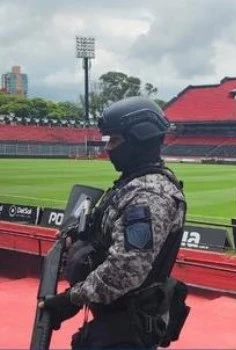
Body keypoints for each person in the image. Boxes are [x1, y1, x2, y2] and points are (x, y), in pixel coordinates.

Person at [39, 97, 188, 348]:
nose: (108, 149)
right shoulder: (131, 185)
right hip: (115, 320)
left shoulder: (148, 196)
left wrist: (72, 299)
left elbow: (126, 269)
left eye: (115, 140)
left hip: (127, 326)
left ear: (139, 141)